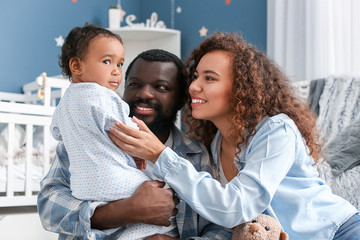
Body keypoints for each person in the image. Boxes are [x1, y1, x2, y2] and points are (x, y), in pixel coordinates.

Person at [108, 32, 360, 240]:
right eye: (196, 76)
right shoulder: (213, 144)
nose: (194, 86)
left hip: (337, 232)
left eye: (209, 78)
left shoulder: (276, 131)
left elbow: (236, 208)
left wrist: (159, 154)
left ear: (241, 88)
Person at [37, 48, 233, 239]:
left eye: (161, 87)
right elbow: (48, 206)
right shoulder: (85, 137)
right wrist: (124, 211)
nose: (145, 94)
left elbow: (220, 228)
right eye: (134, 85)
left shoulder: (196, 155)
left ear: (182, 99)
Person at [49, 24, 180, 239]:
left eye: (119, 64)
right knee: (157, 191)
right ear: (77, 66)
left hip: (83, 190)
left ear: (180, 99)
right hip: (113, 184)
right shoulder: (105, 98)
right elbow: (123, 128)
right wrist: (137, 151)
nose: (116, 71)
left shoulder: (64, 104)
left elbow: (56, 131)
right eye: (107, 62)